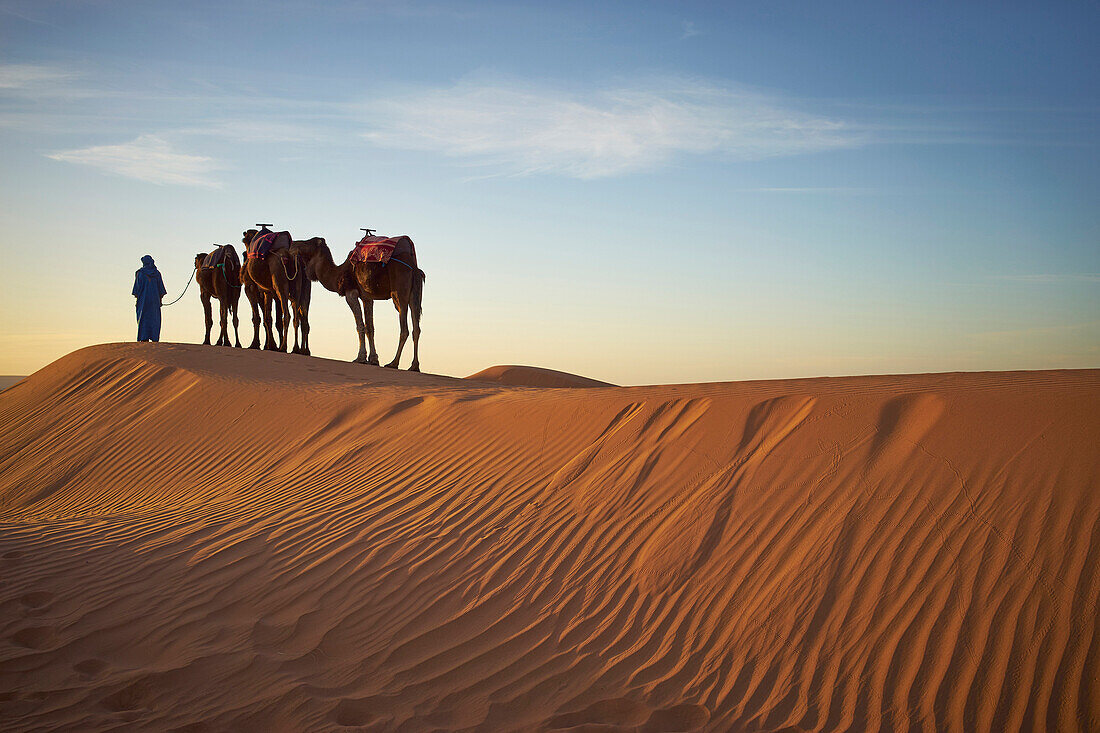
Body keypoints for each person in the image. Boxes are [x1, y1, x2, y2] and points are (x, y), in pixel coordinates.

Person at [133, 254, 167, 342]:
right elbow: (161, 290)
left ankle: (144, 337)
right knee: (154, 319)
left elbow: (137, 289)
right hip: (155, 301)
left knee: (143, 317)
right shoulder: (157, 273)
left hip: (143, 301)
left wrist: (138, 299)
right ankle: (154, 337)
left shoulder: (140, 273)